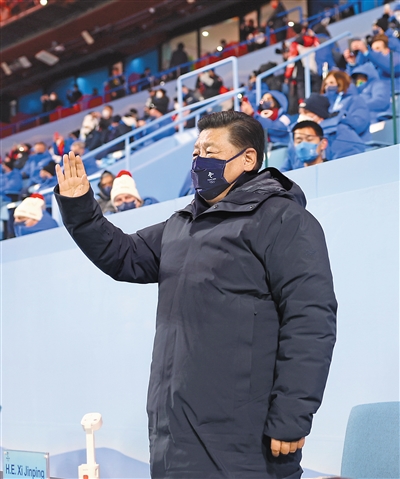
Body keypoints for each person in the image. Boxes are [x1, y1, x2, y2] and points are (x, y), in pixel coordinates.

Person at [54, 110, 337, 479]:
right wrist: (79, 207)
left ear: (248, 158)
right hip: (174, 436)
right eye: (195, 153)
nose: (200, 161)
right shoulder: (181, 225)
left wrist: (292, 415)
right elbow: (122, 256)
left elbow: (310, 320)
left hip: (246, 442)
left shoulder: (283, 219)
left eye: (211, 152)